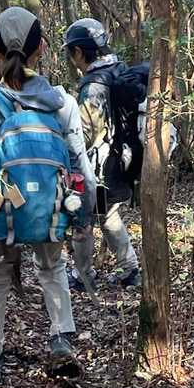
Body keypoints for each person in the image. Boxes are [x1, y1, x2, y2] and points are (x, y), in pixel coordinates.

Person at [0, 6, 96, 383]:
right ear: (41, 48)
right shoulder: (62, 104)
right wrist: (85, 213)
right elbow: (79, 164)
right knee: (52, 267)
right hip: (51, 206)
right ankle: (61, 337)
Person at [63, 17, 141, 290]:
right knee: (107, 214)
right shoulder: (118, 69)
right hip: (121, 158)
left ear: (78, 52)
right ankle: (130, 268)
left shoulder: (94, 85)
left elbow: (86, 134)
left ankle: (82, 274)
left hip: (99, 166)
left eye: (70, 52)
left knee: (83, 220)